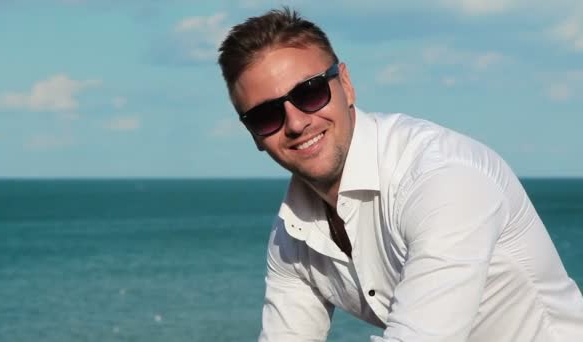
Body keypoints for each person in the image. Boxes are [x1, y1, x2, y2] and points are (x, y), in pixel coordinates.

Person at [217, 7, 583, 342]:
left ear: (345, 84)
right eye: (267, 116)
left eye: (309, 93)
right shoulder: (292, 237)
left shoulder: (443, 179)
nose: (296, 123)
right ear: (254, 135)